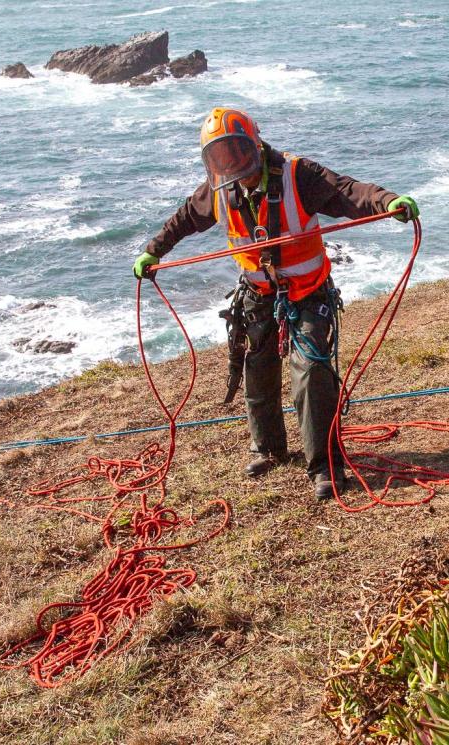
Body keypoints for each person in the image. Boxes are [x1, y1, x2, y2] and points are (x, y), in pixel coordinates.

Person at [132, 107, 419, 501]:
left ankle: (325, 466)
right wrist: (153, 252)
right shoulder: (219, 190)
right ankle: (267, 448)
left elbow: (349, 192)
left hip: (308, 293)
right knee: (257, 368)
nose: (232, 163)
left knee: (311, 373)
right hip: (257, 296)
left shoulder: (297, 175)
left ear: (255, 144)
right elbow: (185, 218)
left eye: (237, 151)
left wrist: (387, 202)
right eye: (221, 156)